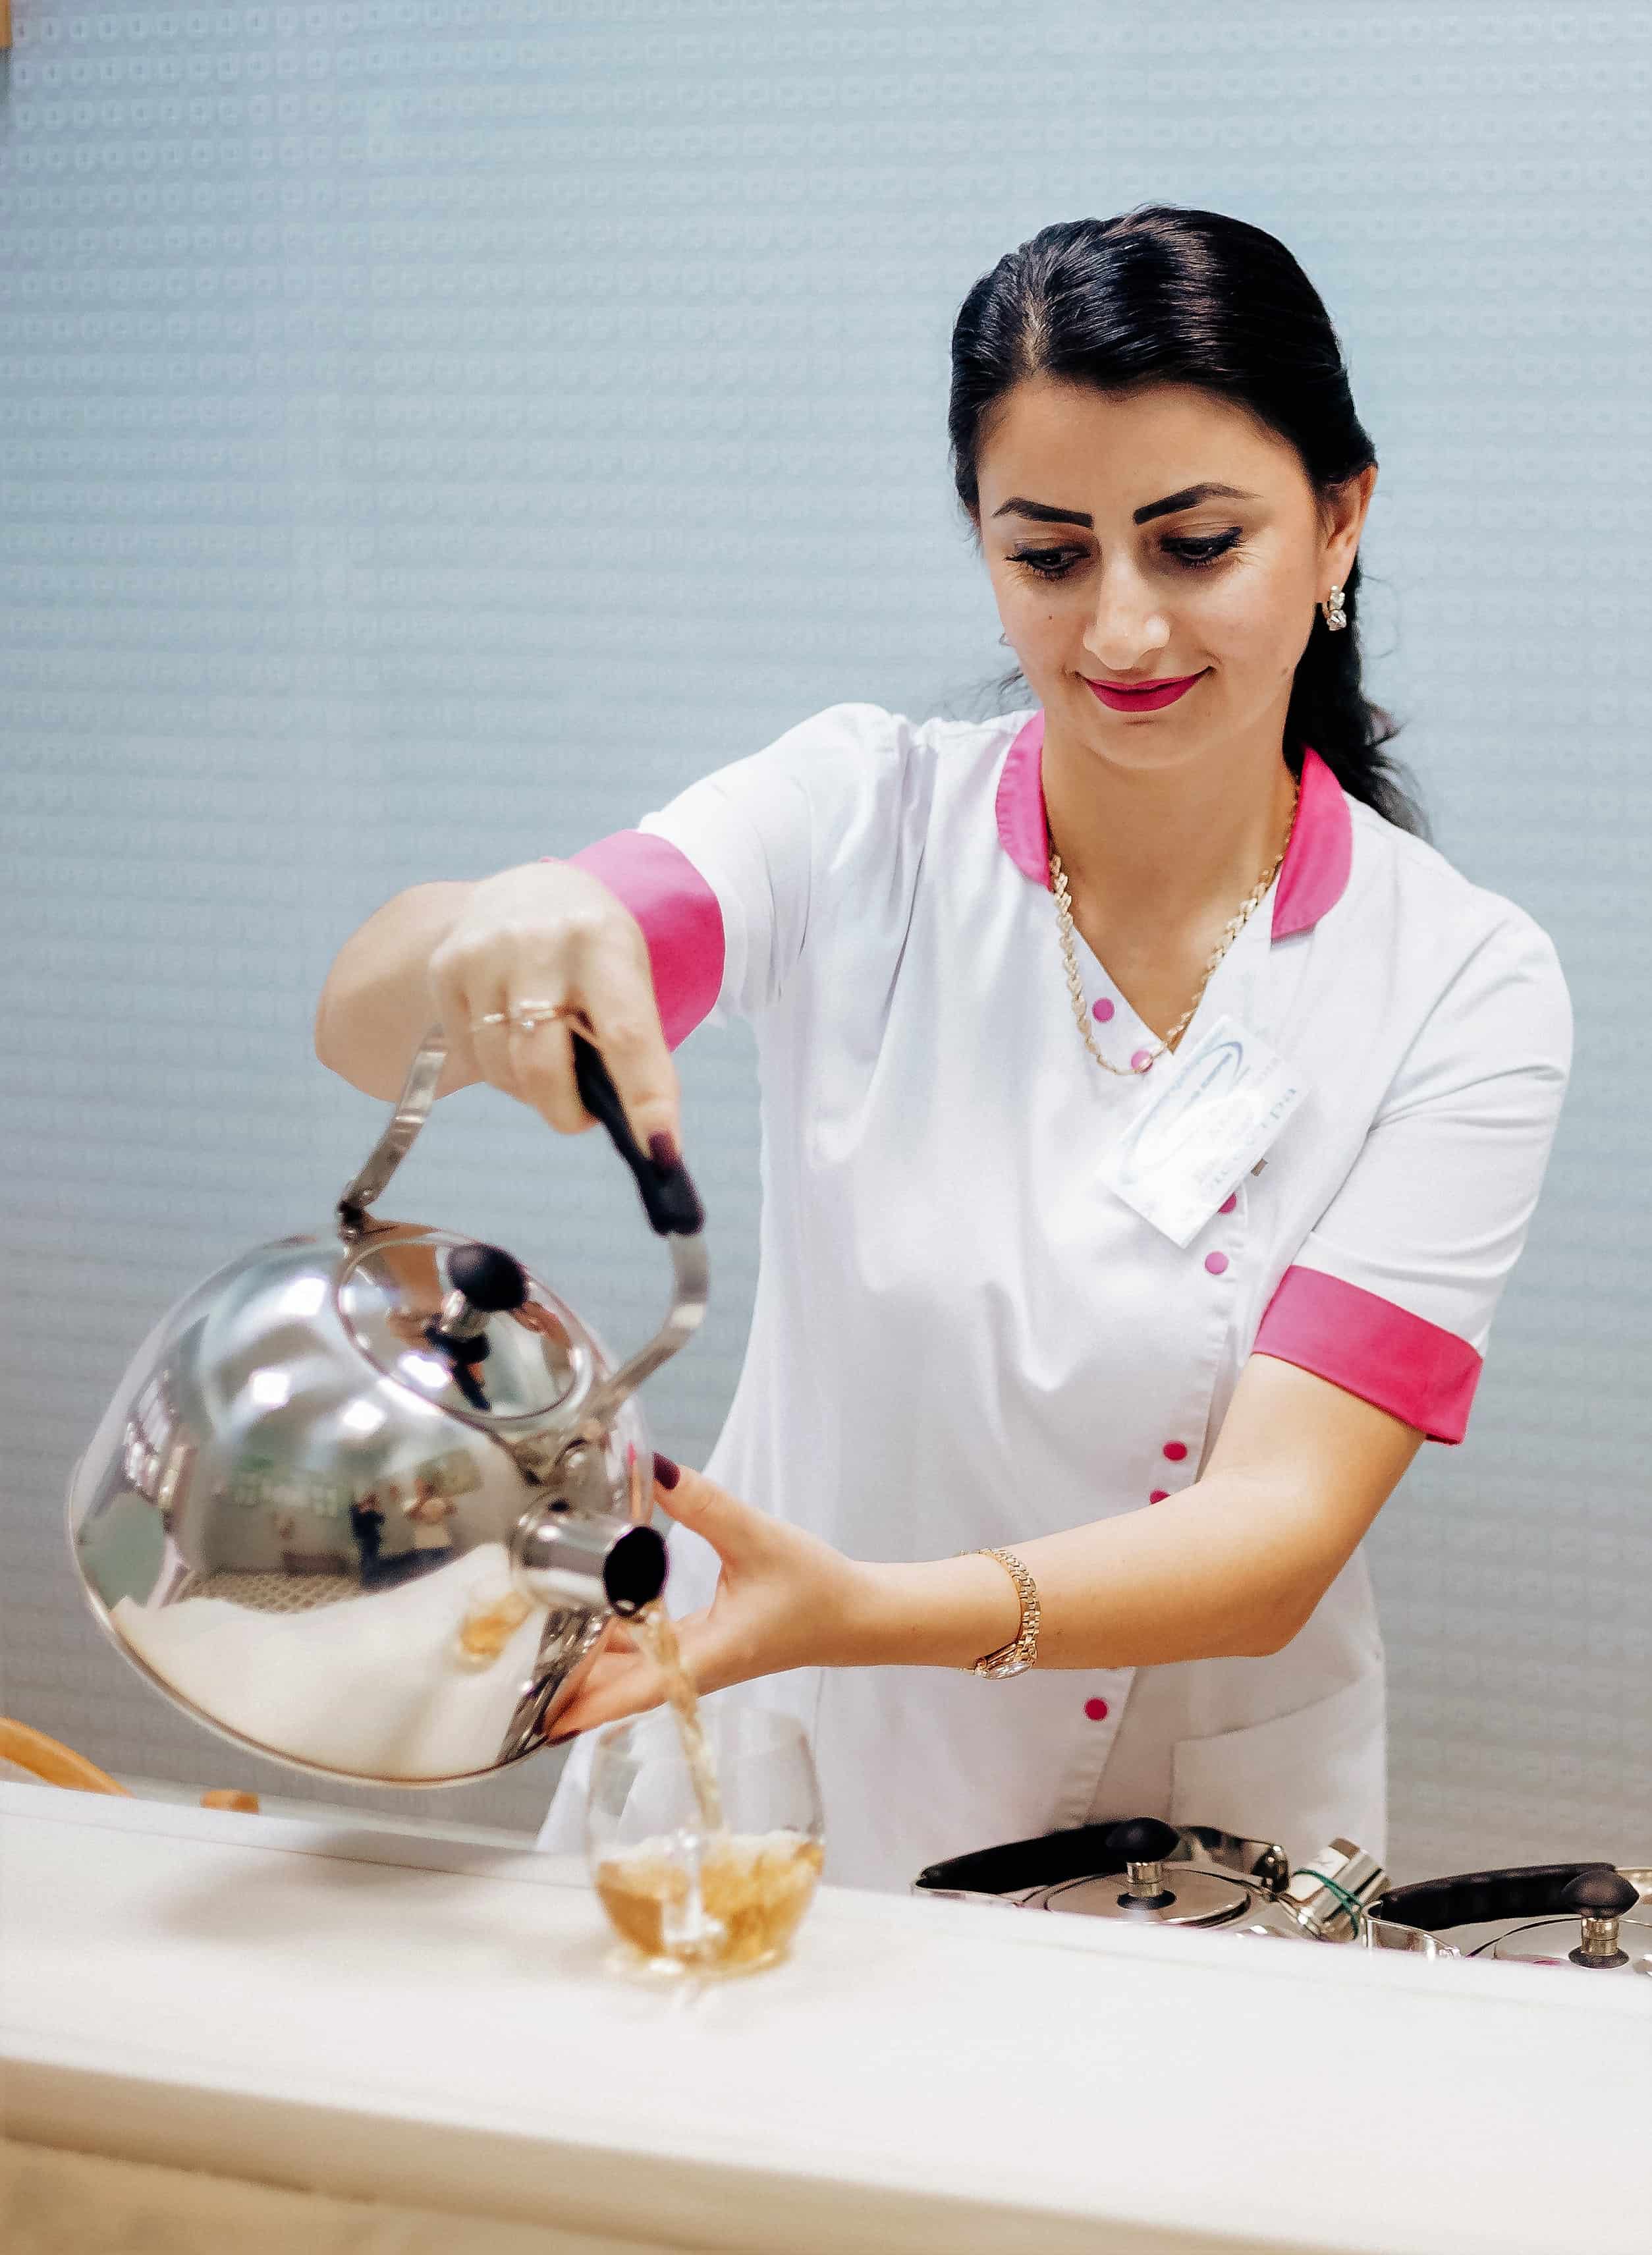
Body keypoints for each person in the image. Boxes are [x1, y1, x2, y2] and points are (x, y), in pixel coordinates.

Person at [314, 208, 1570, 1892]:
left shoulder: (1460, 982)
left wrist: (861, 1611)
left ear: (1340, 519)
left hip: (1193, 1840)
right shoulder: (859, 821)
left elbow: (1276, 1534)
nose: (1122, 630)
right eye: (1050, 556)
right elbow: (372, 1018)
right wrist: (511, 922)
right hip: (792, 1782)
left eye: (1197, 545)